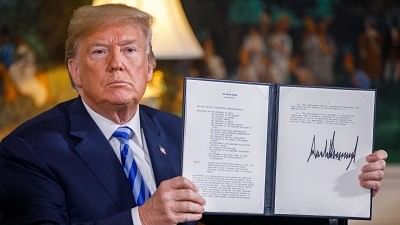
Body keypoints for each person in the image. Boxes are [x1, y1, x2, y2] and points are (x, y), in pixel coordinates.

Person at [0, 4, 388, 225]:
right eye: (100, 51)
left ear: (149, 67)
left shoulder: (185, 132)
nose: (117, 64)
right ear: (74, 71)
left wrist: (338, 190)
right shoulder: (28, 150)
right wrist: (142, 218)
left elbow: (250, 214)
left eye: (131, 51)